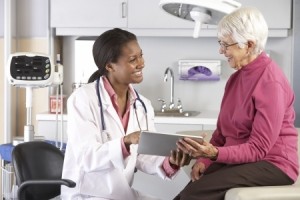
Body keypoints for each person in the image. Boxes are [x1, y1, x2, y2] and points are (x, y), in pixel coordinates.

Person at [173, 7, 299, 200]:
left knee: (193, 195)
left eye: (226, 45)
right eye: (220, 43)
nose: (221, 50)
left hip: (273, 164)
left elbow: (258, 148)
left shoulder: (271, 82)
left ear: (248, 44)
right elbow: (222, 134)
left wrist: (215, 153)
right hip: (244, 161)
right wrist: (205, 160)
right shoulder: (235, 79)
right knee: (185, 194)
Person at [61, 28, 191, 200]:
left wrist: (171, 162)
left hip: (121, 194)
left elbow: (144, 155)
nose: (141, 63)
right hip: (87, 194)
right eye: (132, 59)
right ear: (109, 66)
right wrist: (126, 142)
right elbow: (87, 157)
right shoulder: (83, 99)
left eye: (141, 55)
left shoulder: (142, 105)